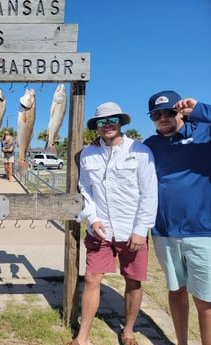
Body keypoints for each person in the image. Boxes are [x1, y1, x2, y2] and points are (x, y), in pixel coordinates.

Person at [68, 102, 158, 345]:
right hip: (101, 229)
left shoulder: (140, 151)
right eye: (101, 121)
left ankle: (128, 331)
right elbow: (85, 189)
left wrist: (141, 230)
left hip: (132, 230)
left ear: (121, 122)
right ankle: (82, 336)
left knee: (133, 281)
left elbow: (150, 193)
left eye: (112, 120)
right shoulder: (88, 153)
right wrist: (93, 217)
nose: (107, 125)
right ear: (95, 127)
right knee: (92, 279)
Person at [144, 90, 211, 345]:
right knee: (175, 291)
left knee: (205, 300)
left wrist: (202, 109)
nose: (163, 118)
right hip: (164, 233)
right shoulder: (150, 145)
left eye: (169, 112)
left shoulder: (205, 134)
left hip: (203, 232)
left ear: (180, 111)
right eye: (156, 114)